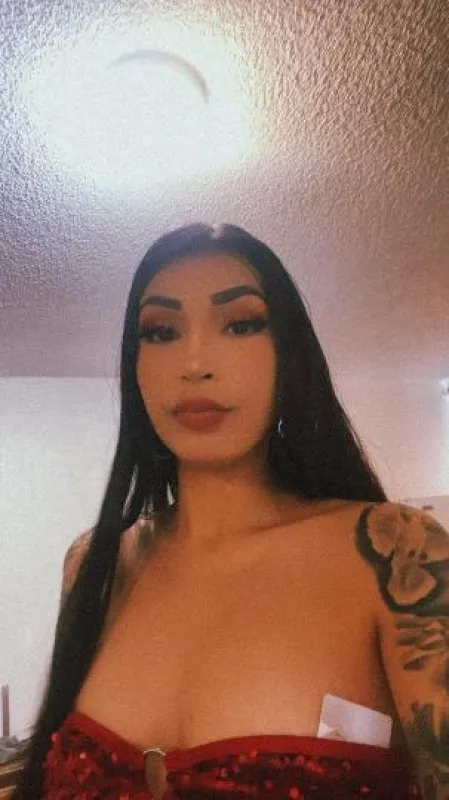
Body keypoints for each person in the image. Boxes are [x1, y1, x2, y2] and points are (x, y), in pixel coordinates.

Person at [12, 223, 433, 798]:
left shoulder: (396, 553)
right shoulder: (94, 564)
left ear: (289, 355)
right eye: (161, 331)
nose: (194, 363)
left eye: (240, 324)